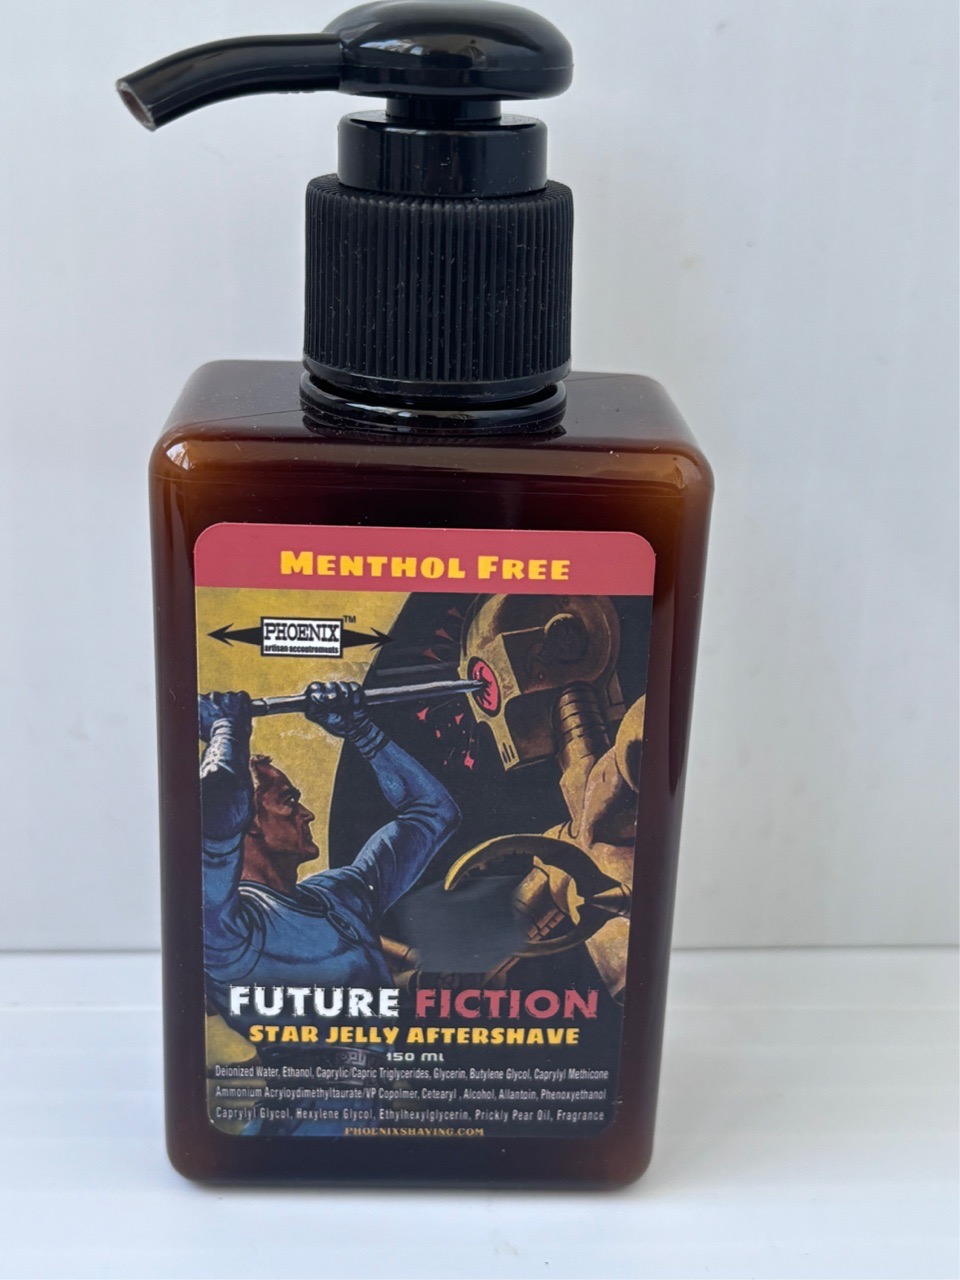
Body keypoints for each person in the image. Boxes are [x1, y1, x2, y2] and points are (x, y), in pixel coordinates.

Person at [198, 680, 460, 1133]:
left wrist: (359, 728)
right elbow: (217, 809)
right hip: (303, 1128)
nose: (307, 814)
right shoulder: (226, 926)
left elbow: (434, 812)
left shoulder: (340, 895)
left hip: (370, 1113)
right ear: (249, 824)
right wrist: (226, 730)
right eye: (289, 802)